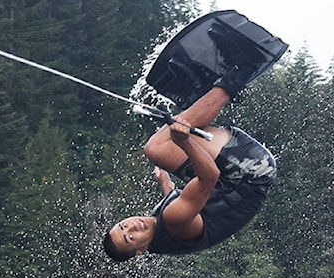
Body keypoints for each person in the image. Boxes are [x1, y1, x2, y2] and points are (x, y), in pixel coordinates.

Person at [102, 84, 276, 261]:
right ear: (140, 251)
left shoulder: (162, 230)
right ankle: (231, 81)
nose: (132, 227)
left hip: (230, 180)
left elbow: (182, 203)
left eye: (124, 225)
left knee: (163, 148)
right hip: (251, 172)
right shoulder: (173, 222)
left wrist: (165, 182)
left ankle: (200, 95)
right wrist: (184, 141)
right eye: (130, 238)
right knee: (157, 148)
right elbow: (209, 177)